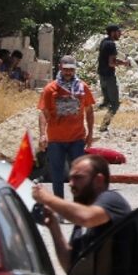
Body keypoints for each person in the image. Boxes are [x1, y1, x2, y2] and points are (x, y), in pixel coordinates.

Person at [38, 55, 96, 201]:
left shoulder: (82, 87)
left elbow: (89, 111)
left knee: (79, 174)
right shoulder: (50, 89)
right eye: (65, 69)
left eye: (71, 69)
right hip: (56, 140)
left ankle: (79, 204)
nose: (68, 72)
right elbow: (43, 113)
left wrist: (90, 134)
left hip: (77, 138)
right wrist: (42, 135)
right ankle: (60, 205)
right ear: (60, 68)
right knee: (57, 175)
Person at [97, 25, 129, 128]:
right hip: (109, 77)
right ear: (112, 32)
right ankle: (104, 125)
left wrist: (122, 62)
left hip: (101, 75)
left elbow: (107, 60)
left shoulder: (104, 42)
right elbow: (111, 63)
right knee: (115, 104)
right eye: (118, 32)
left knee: (106, 102)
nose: (120, 34)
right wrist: (123, 64)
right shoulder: (111, 44)